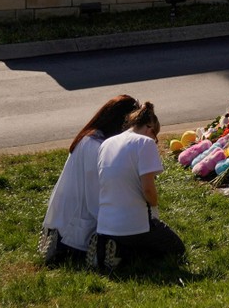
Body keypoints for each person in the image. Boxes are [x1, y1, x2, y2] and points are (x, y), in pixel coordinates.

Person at [39, 94, 140, 265]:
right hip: (77, 230)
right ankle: (99, 252)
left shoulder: (90, 137)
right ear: (121, 123)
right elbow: (98, 196)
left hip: (65, 221)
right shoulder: (97, 147)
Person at [88, 101, 185, 271]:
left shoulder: (107, 143)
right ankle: (124, 253)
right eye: (155, 138)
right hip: (135, 224)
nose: (154, 142)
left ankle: (106, 247)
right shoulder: (144, 144)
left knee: (136, 240)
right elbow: (148, 189)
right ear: (150, 129)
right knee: (176, 248)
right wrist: (155, 206)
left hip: (105, 223)